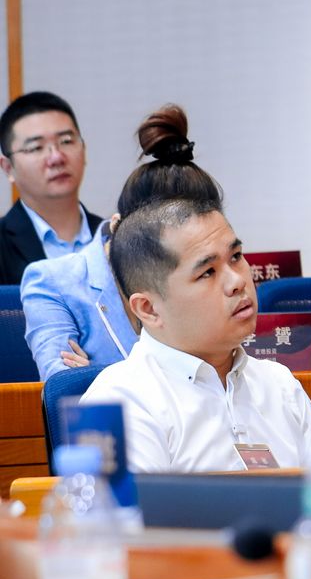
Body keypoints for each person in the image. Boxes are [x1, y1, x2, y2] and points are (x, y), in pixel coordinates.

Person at [81, 196, 311, 472]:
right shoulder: (120, 403)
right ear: (149, 309)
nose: (237, 281)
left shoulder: (280, 384)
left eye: (236, 257)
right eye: (208, 272)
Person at [22, 106, 223, 380]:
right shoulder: (51, 282)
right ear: (118, 226)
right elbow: (64, 387)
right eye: (160, 251)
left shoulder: (210, 276)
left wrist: (98, 374)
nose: (172, 263)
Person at [0, 92, 102, 284]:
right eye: (36, 147)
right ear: (8, 168)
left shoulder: (115, 238)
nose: (56, 157)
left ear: (84, 149)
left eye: (66, 141)